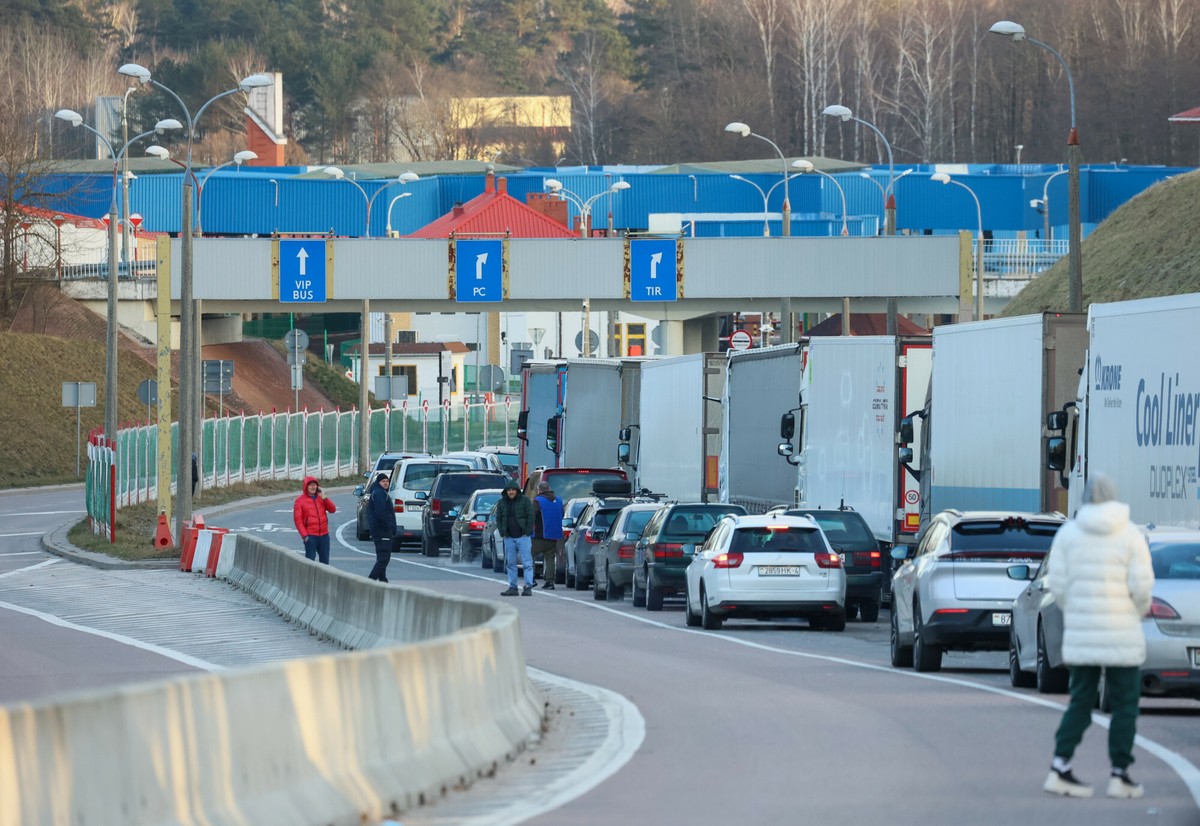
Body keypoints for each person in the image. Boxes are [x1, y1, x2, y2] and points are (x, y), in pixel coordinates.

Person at [1042, 474, 1154, 800]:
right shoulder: (1130, 535)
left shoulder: (1068, 535)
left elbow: (1057, 586)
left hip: (1082, 633)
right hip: (1122, 633)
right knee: (1125, 705)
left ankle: (1060, 767)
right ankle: (1120, 775)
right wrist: (1135, 612)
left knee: (1080, 700)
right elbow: (1142, 587)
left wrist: (1077, 611)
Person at [493, 479, 534, 596]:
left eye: (513, 490)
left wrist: (527, 531)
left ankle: (528, 586)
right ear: (506, 491)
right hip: (509, 538)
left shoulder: (525, 501)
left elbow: (531, 516)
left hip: (523, 537)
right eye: (509, 490)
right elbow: (499, 518)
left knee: (527, 563)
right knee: (510, 564)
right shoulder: (502, 503)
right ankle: (513, 587)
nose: (511, 492)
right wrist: (502, 532)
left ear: (517, 491)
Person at [293, 475, 337, 564]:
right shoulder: (299, 501)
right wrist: (305, 536)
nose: (313, 487)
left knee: (325, 563)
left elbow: (332, 509)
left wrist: (324, 496)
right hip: (311, 536)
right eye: (310, 485)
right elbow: (298, 521)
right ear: (306, 486)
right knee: (310, 563)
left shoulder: (321, 498)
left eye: (315, 485)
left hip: (324, 535)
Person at [532, 480, 564, 590]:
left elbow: (531, 515)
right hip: (555, 535)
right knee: (550, 558)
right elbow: (562, 514)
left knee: (530, 555)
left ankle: (531, 578)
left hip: (540, 535)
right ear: (549, 488)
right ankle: (550, 582)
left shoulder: (538, 501)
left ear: (539, 490)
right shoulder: (558, 500)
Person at [366, 474, 394, 582]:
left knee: (381, 556)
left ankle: (383, 581)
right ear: (378, 483)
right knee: (384, 558)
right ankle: (370, 581)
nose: (386, 483)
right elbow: (380, 512)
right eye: (383, 481)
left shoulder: (380, 492)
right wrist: (388, 526)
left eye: (387, 481)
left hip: (380, 529)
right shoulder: (379, 493)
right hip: (382, 530)